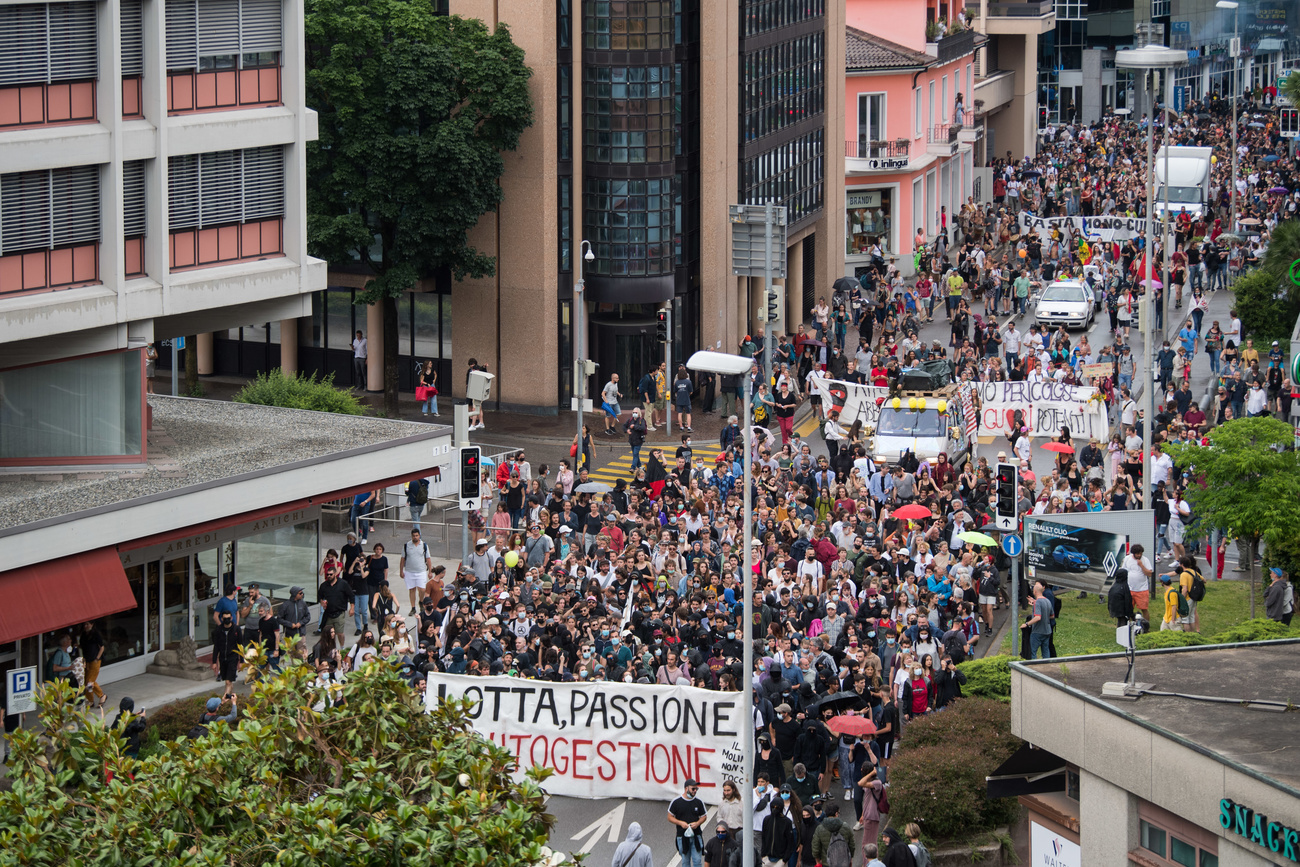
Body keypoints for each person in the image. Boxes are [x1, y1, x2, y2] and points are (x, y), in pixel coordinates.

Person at [668, 778, 709, 867]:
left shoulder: (698, 802)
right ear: (686, 788)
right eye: (693, 789)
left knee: (697, 861)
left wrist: (697, 823)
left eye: (696, 789)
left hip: (696, 835)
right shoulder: (676, 802)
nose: (695, 791)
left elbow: (704, 816)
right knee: (685, 862)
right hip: (682, 836)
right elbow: (670, 817)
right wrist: (680, 823)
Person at [811, 801, 855, 866]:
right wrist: (850, 858)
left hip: (827, 863)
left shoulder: (820, 828)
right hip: (843, 863)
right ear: (836, 813)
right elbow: (852, 845)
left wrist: (818, 861)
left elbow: (815, 848)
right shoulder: (845, 827)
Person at [399, 528, 432, 616]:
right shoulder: (406, 545)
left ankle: (421, 601)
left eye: (417, 535)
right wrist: (401, 571)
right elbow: (402, 559)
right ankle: (413, 608)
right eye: (413, 536)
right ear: (411, 536)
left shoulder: (424, 545)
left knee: (422, 589)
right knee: (412, 589)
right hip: (409, 571)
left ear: (419, 536)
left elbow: (428, 559)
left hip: (421, 571)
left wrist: (430, 571)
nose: (415, 537)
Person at [211, 610, 242, 696]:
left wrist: (241, 661)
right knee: (227, 681)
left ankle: (225, 699)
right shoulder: (218, 630)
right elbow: (216, 647)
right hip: (222, 659)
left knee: (228, 681)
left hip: (233, 658)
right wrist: (214, 662)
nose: (227, 620)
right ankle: (231, 699)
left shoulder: (236, 629)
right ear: (221, 619)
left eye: (228, 618)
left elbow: (240, 646)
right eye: (225, 618)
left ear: (231, 618)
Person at [1021, 580, 1053, 659]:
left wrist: (1027, 624)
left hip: (1038, 631)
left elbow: (1038, 617)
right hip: (1047, 631)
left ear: (1034, 591)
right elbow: (1052, 616)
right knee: (1045, 651)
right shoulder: (1047, 601)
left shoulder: (1038, 602)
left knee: (1033, 652)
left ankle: (1034, 668)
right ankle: (1047, 666)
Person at [79, 621, 107, 708]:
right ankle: (90, 700)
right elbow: (83, 647)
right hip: (87, 661)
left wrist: (97, 658)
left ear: (92, 624)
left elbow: (102, 647)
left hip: (95, 661)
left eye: (88, 624)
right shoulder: (83, 635)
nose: (86, 626)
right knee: (86, 682)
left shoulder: (95, 634)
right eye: (85, 624)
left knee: (90, 682)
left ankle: (102, 696)